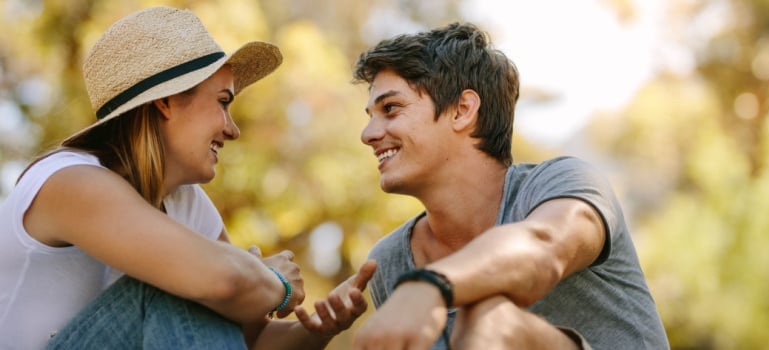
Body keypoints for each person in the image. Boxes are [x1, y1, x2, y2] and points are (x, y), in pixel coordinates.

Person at [0, 6, 375, 350]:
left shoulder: (187, 202)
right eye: (223, 102)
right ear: (166, 101)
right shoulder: (69, 182)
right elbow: (224, 282)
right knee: (176, 285)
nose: (233, 130)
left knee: (195, 285)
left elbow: (248, 336)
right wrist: (273, 281)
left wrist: (318, 328)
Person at [350, 22, 670, 349]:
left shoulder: (565, 184)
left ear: (462, 111)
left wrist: (431, 284)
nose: (368, 134)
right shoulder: (389, 260)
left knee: (491, 322)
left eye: (390, 109)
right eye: (370, 115)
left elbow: (543, 248)